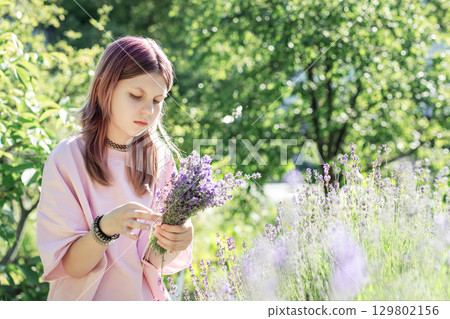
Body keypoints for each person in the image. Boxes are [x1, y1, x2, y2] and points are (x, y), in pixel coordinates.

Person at [36, 35, 194, 301]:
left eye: (157, 101)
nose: (148, 111)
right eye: (135, 95)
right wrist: (105, 228)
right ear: (103, 89)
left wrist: (178, 238)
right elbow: (72, 267)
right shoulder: (68, 158)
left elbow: (153, 262)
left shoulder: (161, 159)